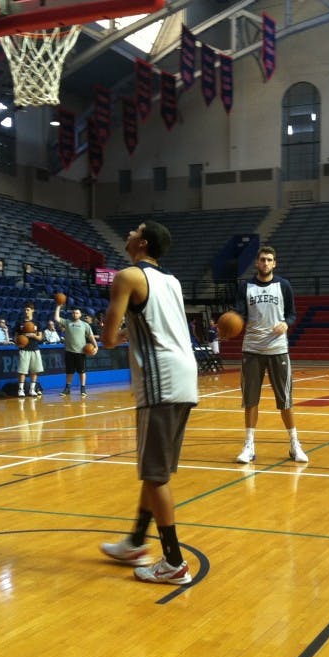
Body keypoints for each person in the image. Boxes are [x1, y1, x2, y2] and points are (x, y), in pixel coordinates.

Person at [99, 221, 198, 585]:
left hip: (161, 380)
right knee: (155, 469)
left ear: (141, 242)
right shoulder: (171, 281)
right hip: (185, 376)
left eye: (133, 230)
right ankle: (137, 542)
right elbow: (150, 326)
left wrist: (106, 337)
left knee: (155, 475)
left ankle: (173, 562)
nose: (126, 234)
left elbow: (109, 338)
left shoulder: (127, 276)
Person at [234, 246, 308, 465]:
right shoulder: (245, 286)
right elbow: (238, 314)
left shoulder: (283, 285)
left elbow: (292, 314)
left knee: (285, 400)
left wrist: (286, 323)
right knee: (250, 400)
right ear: (256, 263)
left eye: (269, 260)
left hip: (278, 349)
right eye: (262, 260)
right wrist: (231, 321)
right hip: (252, 349)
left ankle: (295, 445)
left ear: (274, 263)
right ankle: (249, 446)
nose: (265, 263)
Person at [55, 303, 96, 398]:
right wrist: (58, 306)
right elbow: (57, 318)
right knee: (69, 372)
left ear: (80, 315)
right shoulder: (67, 322)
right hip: (69, 352)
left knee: (82, 371)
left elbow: (91, 336)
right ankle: (67, 388)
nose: (75, 314)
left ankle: (83, 388)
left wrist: (96, 346)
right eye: (73, 313)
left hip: (81, 352)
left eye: (77, 313)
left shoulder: (85, 325)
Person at [16, 304, 44, 397]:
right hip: (24, 349)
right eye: (25, 310)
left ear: (32, 310)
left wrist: (34, 336)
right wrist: (20, 340)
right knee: (22, 371)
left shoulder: (37, 323)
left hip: (34, 348)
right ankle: (21, 390)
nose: (26, 311)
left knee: (34, 371)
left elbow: (40, 337)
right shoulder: (19, 322)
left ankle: (32, 389)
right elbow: (16, 337)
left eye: (28, 310)